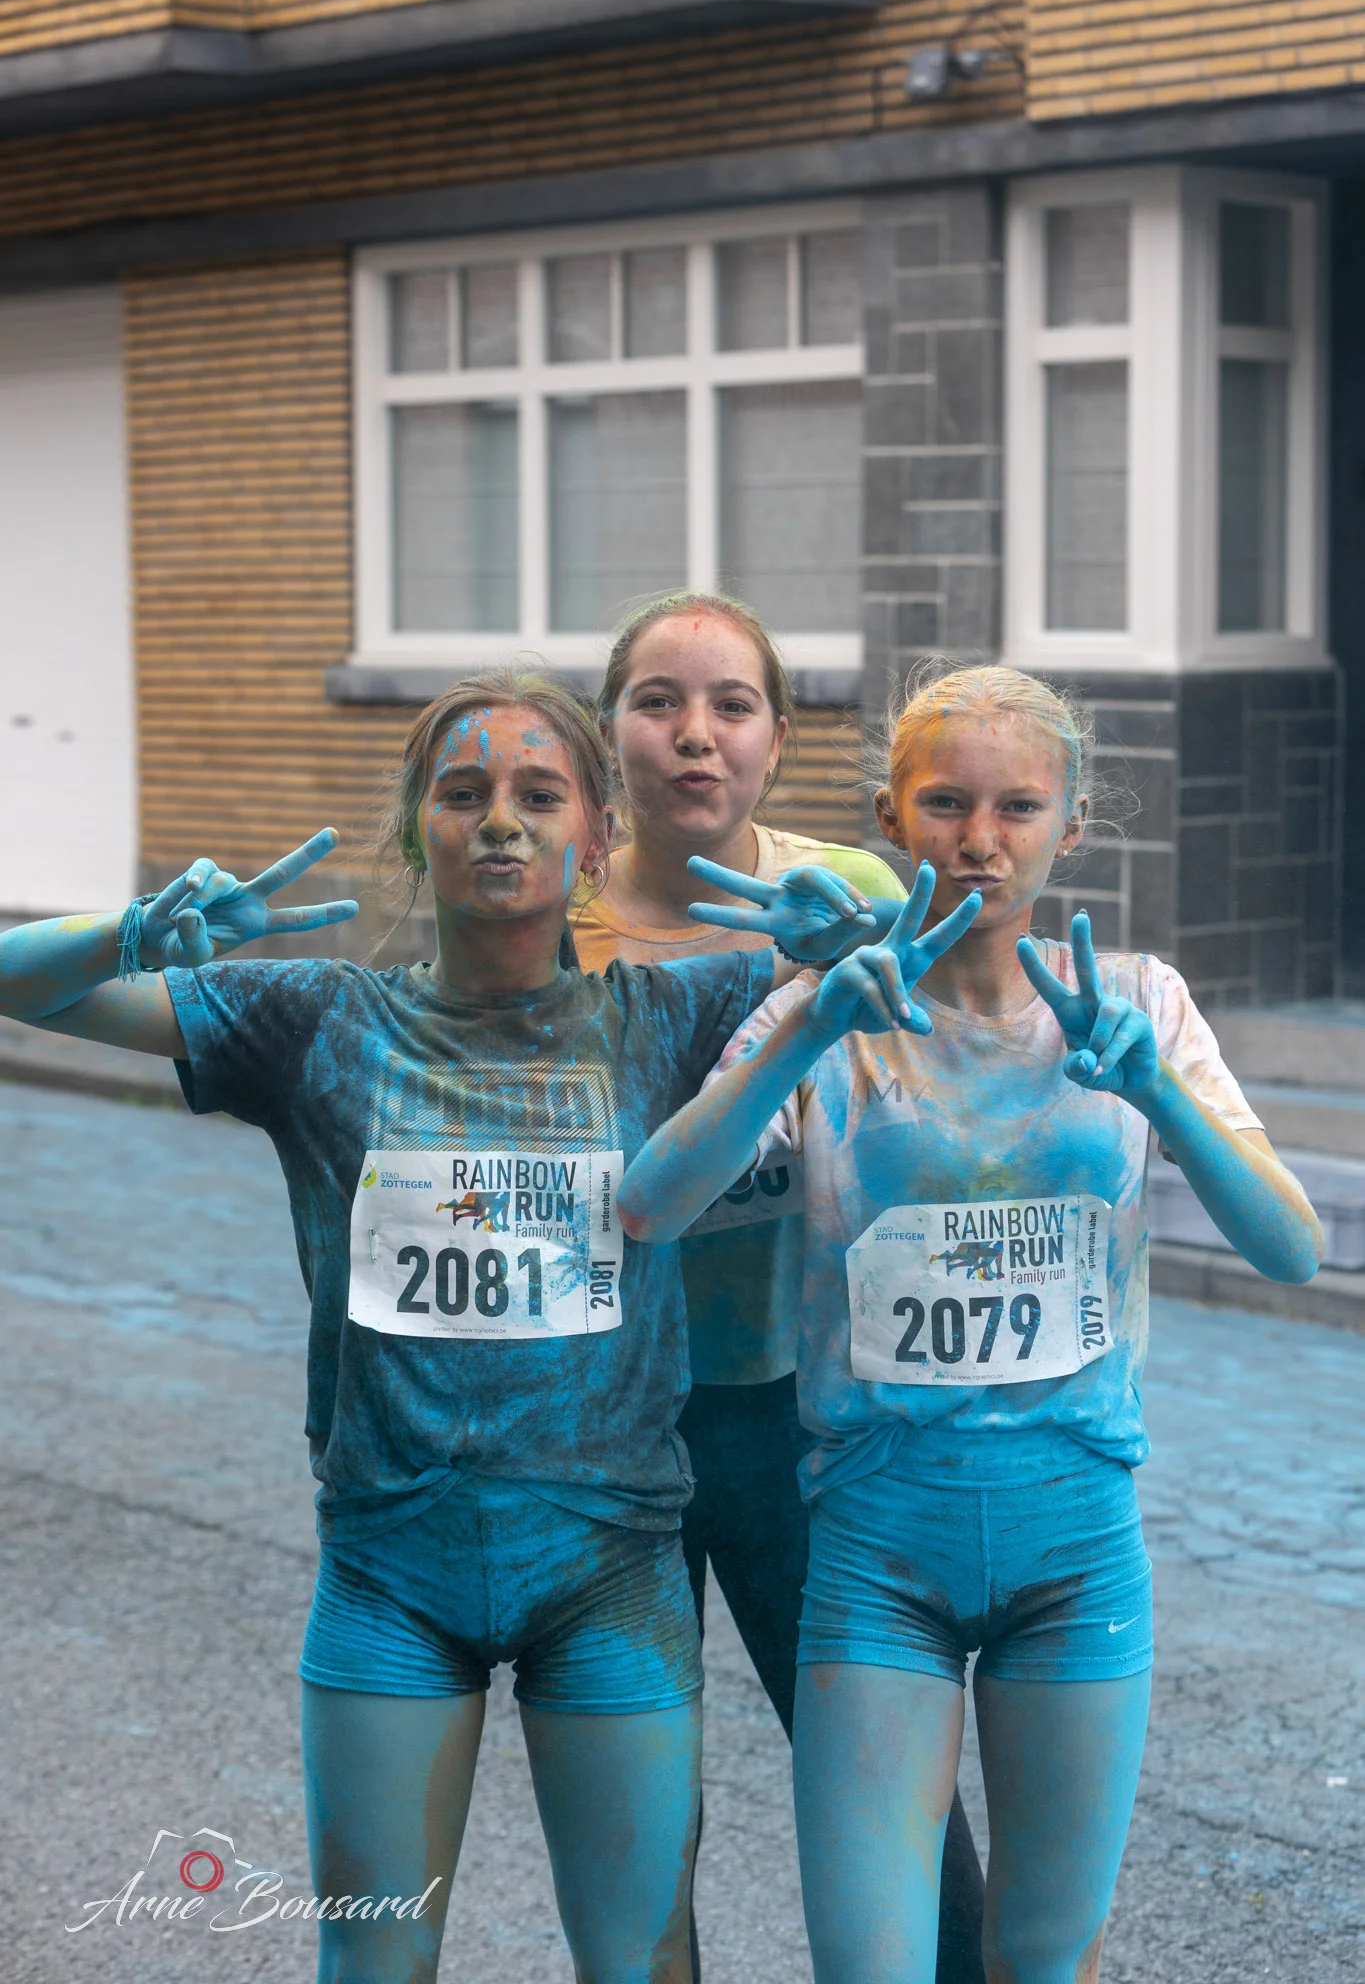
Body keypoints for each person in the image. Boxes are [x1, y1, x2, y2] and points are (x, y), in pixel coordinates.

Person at [0, 669, 878, 1984]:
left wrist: (846, 924)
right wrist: (134, 931)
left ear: (595, 835)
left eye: (540, 795)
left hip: (612, 1572)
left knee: (637, 1963)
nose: (502, 821)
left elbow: (909, 964)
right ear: (418, 832)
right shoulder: (315, 1018)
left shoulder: (675, 1012)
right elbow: (16, 986)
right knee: (373, 1966)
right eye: (463, 794)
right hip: (388, 1576)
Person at [618, 664, 1323, 1984]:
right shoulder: (837, 1011)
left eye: (1018, 807)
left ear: (1073, 822)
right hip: (877, 1554)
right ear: (892, 815)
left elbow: (1294, 1248)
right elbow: (651, 1206)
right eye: (944, 803)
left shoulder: (1139, 1002)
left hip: (1078, 1552)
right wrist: (803, 1025)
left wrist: (1160, 1094)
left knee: (1045, 1961)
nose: (980, 839)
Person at [577, 590, 988, 1981]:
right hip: (610, 1425)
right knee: (642, 1828)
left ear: (776, 737)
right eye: (658, 702)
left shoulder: (855, 892)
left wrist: (862, 964)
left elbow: (968, 1092)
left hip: (804, 1421)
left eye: (731, 705)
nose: (695, 734)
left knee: (889, 1794)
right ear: (612, 731)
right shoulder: (555, 921)